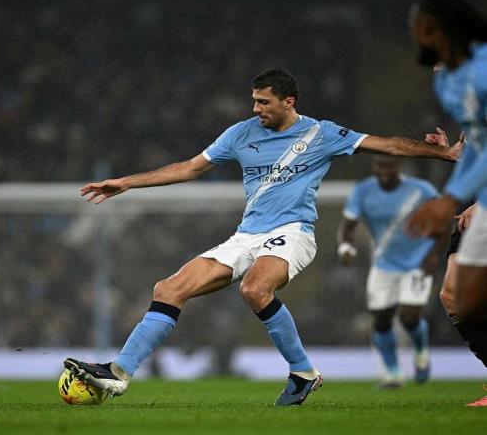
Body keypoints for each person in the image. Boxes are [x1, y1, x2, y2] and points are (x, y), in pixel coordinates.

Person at [64, 68, 461, 406]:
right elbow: (190, 168)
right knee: (168, 288)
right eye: (254, 101)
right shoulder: (240, 134)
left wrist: (442, 154)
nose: (256, 109)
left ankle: (302, 371)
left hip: (293, 232)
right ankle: (118, 373)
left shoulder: (321, 133)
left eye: (264, 102)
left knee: (255, 289)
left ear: (289, 102)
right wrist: (127, 183)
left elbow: (385, 144)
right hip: (246, 235)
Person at [408, 0, 487, 406]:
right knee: (455, 296)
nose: (418, 36)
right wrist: (455, 155)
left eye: (425, 28)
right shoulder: (447, 82)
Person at [338, 155, 441, 388]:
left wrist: (434, 254)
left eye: (389, 166)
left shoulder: (421, 190)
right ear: (373, 166)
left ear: (399, 166)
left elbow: (442, 221)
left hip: (417, 262)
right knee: (381, 320)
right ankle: (393, 373)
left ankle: (421, 351)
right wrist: (346, 247)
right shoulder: (363, 191)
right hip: (383, 264)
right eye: (380, 165)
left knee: (408, 317)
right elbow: (348, 225)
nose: (384, 170)